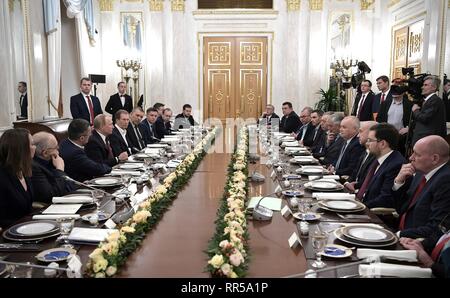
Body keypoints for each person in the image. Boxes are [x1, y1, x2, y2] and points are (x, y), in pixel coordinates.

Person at [393, 135, 450, 239]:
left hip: (414, 242)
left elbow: (435, 228)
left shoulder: (445, 181)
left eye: (417, 154)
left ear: (434, 159)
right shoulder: (421, 172)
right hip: (398, 230)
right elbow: (400, 207)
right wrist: (399, 182)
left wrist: (398, 235)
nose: (411, 158)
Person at [355, 123, 405, 208]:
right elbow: (370, 185)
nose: (367, 144)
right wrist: (355, 185)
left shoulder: (396, 164)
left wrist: (358, 206)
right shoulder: (376, 159)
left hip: (372, 214)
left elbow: (384, 199)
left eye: (370, 140)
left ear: (382, 144)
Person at [0, 128, 35, 228]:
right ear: (21, 149)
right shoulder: (2, 177)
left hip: (27, 227)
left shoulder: (23, 170)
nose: (35, 147)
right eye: (32, 144)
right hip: (9, 232)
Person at [31, 132, 74, 204]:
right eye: (56, 147)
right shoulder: (35, 168)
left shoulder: (53, 160)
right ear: (45, 153)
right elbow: (51, 195)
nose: (58, 150)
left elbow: (69, 185)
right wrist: (59, 170)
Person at [376, 82, 413, 156]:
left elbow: (414, 120)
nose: (395, 97)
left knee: (399, 155)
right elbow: (379, 118)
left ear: (402, 94)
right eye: (394, 96)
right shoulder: (385, 103)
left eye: (397, 96)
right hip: (386, 135)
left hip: (401, 138)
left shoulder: (409, 105)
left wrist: (408, 128)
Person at [411, 75, 447, 145]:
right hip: (423, 140)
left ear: (434, 87)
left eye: (425, 85)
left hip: (428, 141)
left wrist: (415, 110)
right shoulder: (428, 100)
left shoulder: (435, 100)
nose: (422, 87)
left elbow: (424, 118)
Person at [344, 121, 377, 193]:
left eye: (361, 131)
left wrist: (354, 187)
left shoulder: (376, 156)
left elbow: (367, 182)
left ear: (371, 134)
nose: (358, 135)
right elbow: (354, 173)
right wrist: (347, 183)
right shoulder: (365, 151)